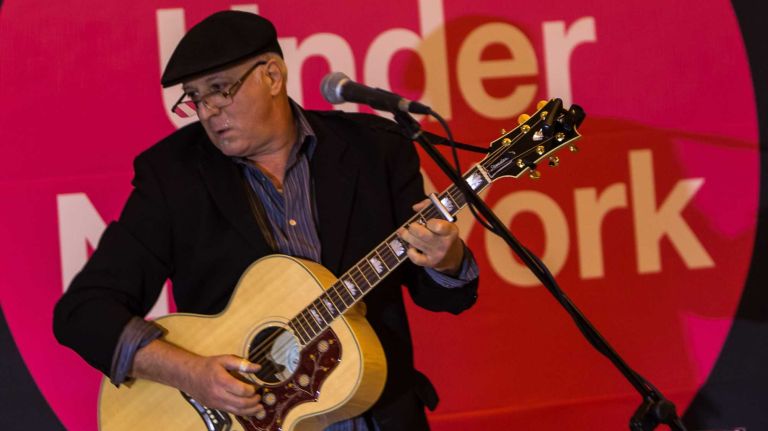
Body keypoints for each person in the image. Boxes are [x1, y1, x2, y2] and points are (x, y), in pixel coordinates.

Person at [54, 10, 479, 431]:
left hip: (374, 414)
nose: (208, 112)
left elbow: (444, 297)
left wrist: (447, 260)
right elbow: (83, 312)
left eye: (221, 90)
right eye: (195, 97)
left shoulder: (376, 150)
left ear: (273, 77)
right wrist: (191, 374)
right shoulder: (174, 177)